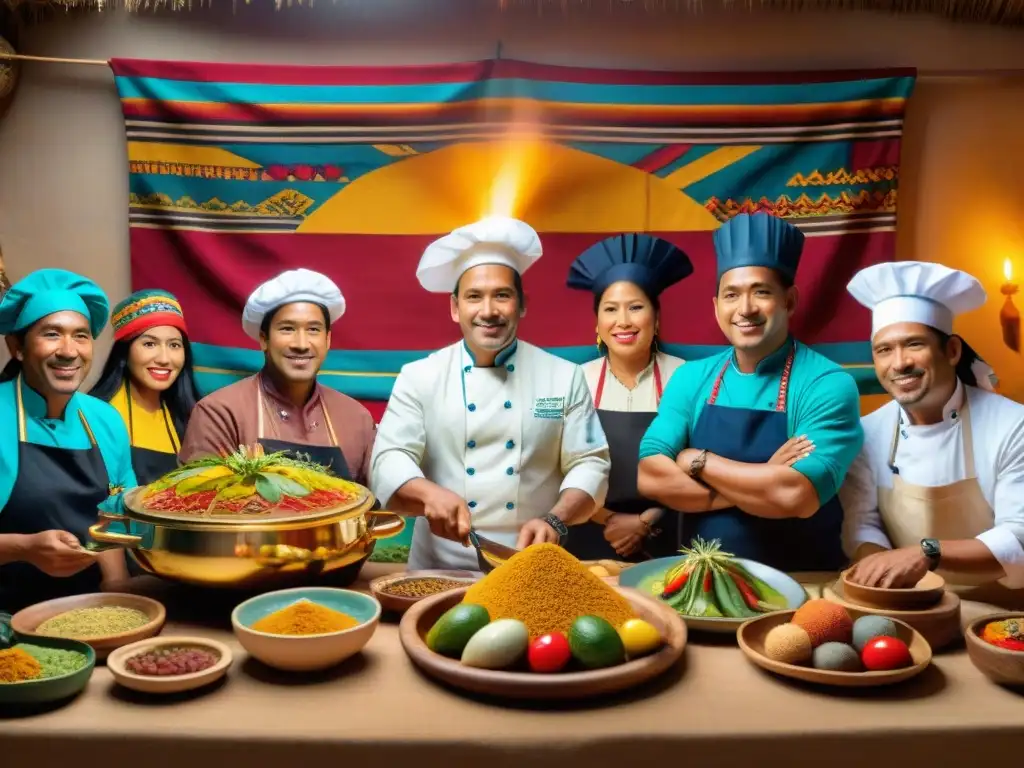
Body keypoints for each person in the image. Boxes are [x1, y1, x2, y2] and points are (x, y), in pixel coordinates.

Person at [370, 215, 611, 570]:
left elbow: (590, 462)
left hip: (532, 562)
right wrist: (428, 493)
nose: (488, 311)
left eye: (502, 295)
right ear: (455, 307)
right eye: (474, 297)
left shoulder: (564, 377)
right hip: (439, 567)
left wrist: (556, 520)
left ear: (522, 303)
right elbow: (388, 457)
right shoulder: (419, 376)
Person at [636, 212, 863, 572]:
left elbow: (796, 495)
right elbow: (650, 474)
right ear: (716, 306)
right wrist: (764, 475)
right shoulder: (690, 378)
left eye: (761, 291)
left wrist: (698, 460)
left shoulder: (827, 383)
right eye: (731, 294)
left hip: (803, 580)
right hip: (699, 582)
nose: (745, 309)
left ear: (789, 300)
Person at [840, 261, 1024, 592]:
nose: (899, 363)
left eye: (914, 344)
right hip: (907, 605)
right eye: (884, 350)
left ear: (952, 350)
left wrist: (927, 553)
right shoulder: (867, 434)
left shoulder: (1013, 426)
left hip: (998, 614)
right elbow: (862, 523)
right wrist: (880, 575)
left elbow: (1018, 537)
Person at [0, 269, 137, 611]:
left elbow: (114, 519)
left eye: (81, 336)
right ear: (16, 347)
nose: (68, 351)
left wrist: (116, 592)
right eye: (51, 334)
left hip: (88, 609)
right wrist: (24, 548)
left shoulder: (105, 419)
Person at [178, 268, 376, 485]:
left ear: (327, 340)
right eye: (287, 329)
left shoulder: (357, 419)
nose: (301, 344)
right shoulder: (220, 414)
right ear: (264, 339)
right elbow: (199, 506)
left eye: (313, 330)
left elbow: (375, 510)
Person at [563, 233, 690, 561]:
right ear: (597, 322)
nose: (623, 321)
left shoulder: (689, 378)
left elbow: (702, 467)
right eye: (610, 309)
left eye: (636, 307)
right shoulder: (571, 382)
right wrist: (611, 521)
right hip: (588, 535)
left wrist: (645, 522)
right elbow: (550, 464)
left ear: (656, 317)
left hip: (671, 534)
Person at [90, 289, 201, 484]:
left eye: (174, 345)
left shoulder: (191, 416)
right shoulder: (97, 415)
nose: (164, 359)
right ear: (125, 352)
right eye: (149, 344)